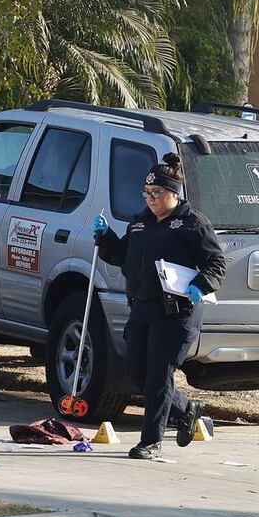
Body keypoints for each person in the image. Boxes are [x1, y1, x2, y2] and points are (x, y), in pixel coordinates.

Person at [93, 154, 226, 460]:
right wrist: (106, 239)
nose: (150, 199)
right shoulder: (140, 223)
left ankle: (150, 441)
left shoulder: (192, 224)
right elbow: (123, 256)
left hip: (177, 312)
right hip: (142, 307)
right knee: (137, 370)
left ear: (174, 194)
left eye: (157, 194)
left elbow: (216, 263)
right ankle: (185, 409)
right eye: (146, 194)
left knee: (158, 375)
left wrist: (201, 285)